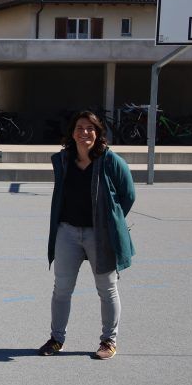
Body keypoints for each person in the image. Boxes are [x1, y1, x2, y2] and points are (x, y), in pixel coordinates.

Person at [40, 110, 135, 360]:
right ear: (72, 133)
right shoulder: (63, 160)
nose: (85, 133)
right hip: (67, 232)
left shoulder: (111, 160)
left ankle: (108, 341)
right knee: (61, 288)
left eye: (90, 128)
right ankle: (56, 338)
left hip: (99, 235)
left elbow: (128, 195)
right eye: (80, 128)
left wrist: (111, 222)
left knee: (107, 288)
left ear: (98, 132)